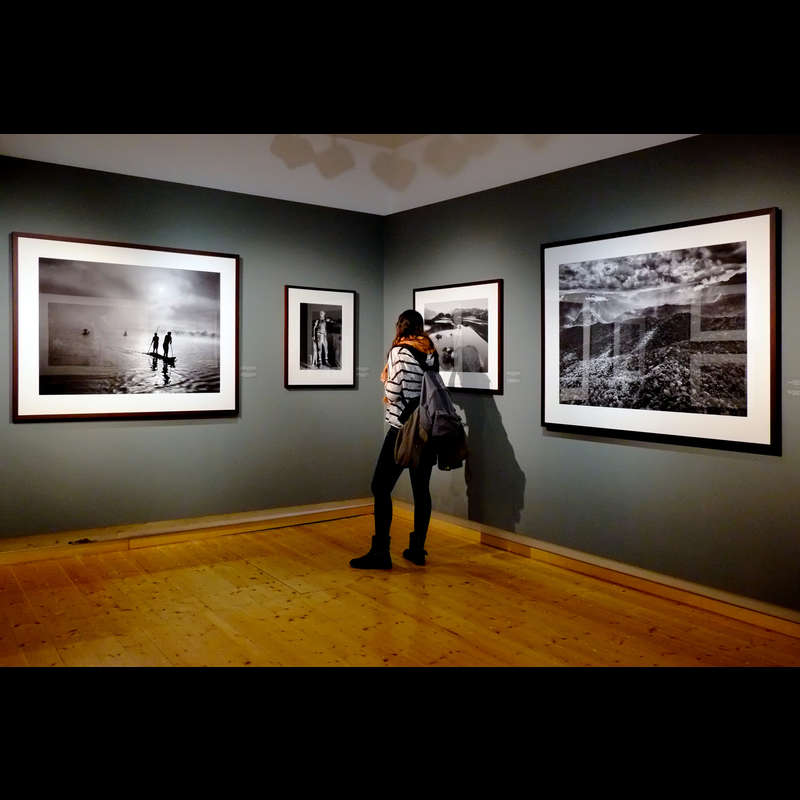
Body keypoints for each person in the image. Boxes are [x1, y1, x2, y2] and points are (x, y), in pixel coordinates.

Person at [350, 309, 439, 570]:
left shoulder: (399, 352)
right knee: (421, 490)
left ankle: (380, 552)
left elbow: (393, 391)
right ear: (419, 327)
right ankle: (417, 549)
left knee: (380, 487)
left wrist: (387, 386)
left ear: (400, 326)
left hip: (403, 429)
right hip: (427, 429)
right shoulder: (430, 352)